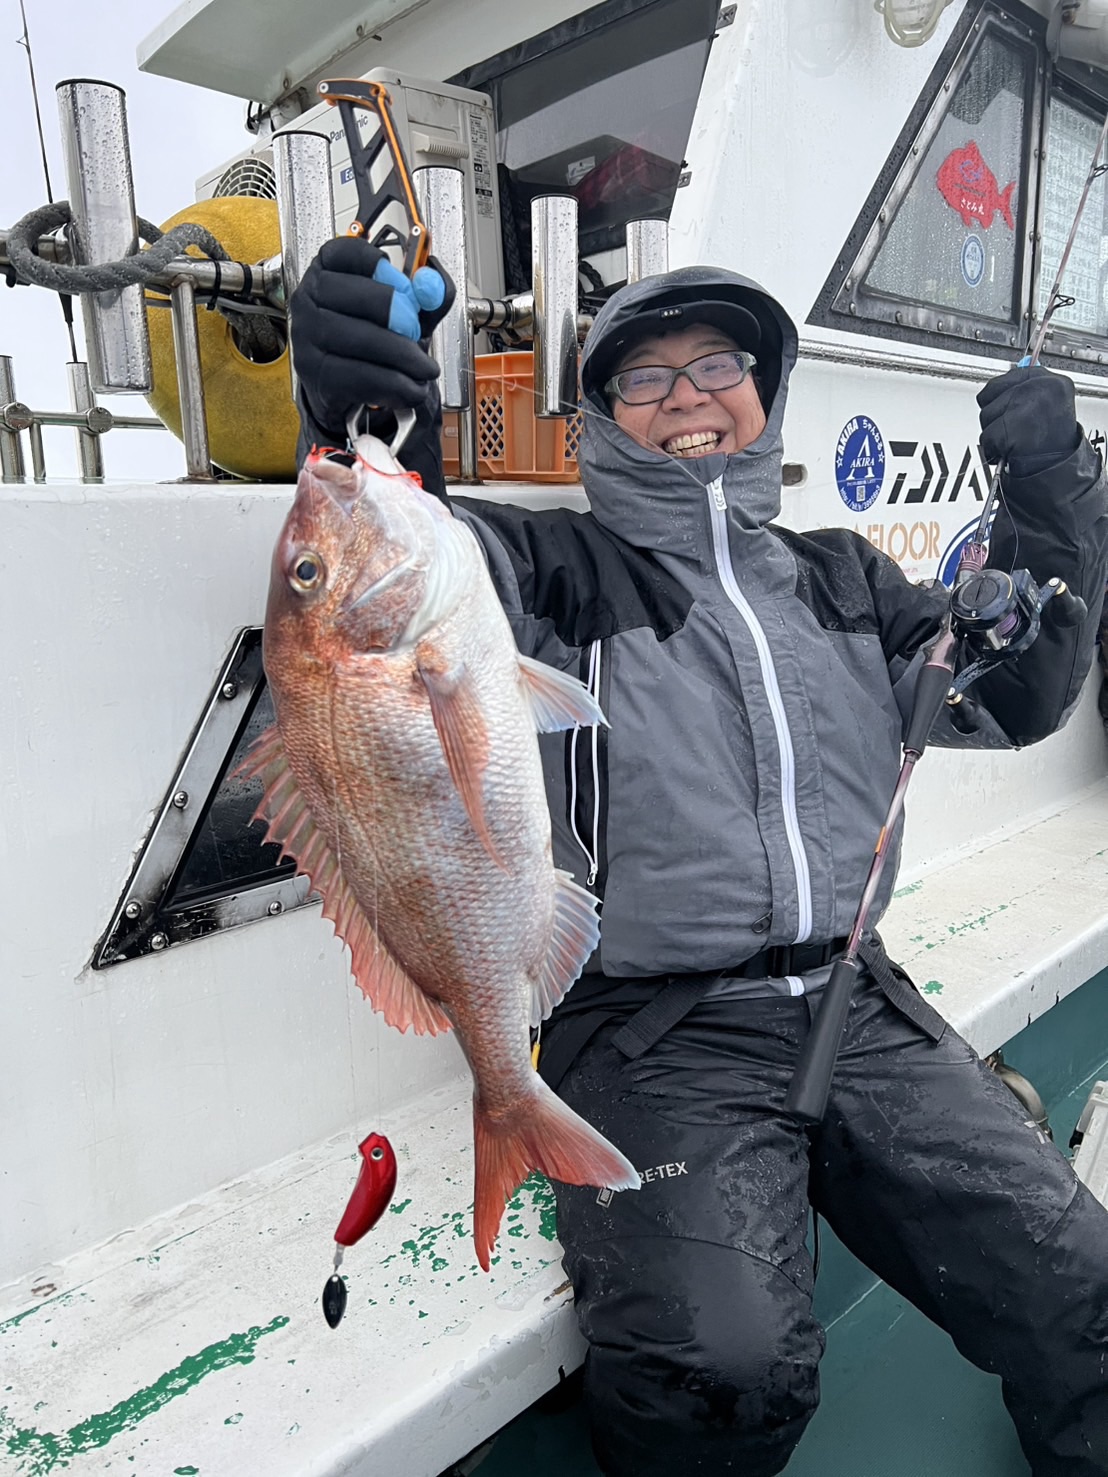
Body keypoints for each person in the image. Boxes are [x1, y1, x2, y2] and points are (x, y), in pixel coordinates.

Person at [291, 238, 1108, 1477]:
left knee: (1084, 1282)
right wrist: (360, 415)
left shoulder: (844, 575)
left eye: (718, 364)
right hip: (649, 1030)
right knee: (719, 1370)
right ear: (599, 418)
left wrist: (1051, 489)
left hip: (854, 1002)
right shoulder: (551, 572)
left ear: (762, 391)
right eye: (644, 377)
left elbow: (1016, 694)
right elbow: (403, 582)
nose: (687, 395)